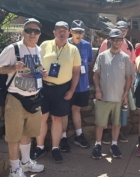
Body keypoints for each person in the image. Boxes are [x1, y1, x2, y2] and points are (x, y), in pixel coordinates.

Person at [0, 18, 45, 177]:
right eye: (29, 30)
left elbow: (35, 69)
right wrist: (13, 68)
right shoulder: (13, 48)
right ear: (23, 32)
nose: (32, 34)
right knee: (14, 136)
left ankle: (26, 162)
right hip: (15, 99)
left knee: (27, 132)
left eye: (35, 31)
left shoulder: (38, 49)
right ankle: (14, 171)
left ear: (39, 35)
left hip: (34, 98)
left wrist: (40, 74)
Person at [32, 21, 81, 164]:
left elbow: (76, 72)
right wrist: (40, 71)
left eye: (64, 30)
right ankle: (40, 147)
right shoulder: (44, 45)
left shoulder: (73, 50)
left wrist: (72, 90)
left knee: (57, 119)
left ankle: (55, 148)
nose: (61, 33)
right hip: (44, 87)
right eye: (59, 30)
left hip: (62, 89)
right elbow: (36, 64)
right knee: (41, 118)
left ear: (68, 33)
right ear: (54, 32)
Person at [92, 29, 134, 159]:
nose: (118, 42)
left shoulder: (126, 58)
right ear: (109, 40)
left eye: (120, 39)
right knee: (100, 123)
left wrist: (126, 93)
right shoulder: (102, 56)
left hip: (119, 97)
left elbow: (129, 77)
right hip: (103, 96)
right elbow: (96, 74)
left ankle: (114, 144)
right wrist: (98, 89)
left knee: (117, 123)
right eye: (115, 39)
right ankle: (98, 145)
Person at [98, 20, 136, 143]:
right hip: (107, 85)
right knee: (106, 112)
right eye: (120, 29)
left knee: (120, 113)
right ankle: (105, 133)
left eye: (124, 30)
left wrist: (131, 84)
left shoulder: (129, 44)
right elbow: (101, 62)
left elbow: (133, 64)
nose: (122, 32)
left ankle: (117, 134)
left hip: (123, 85)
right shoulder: (106, 43)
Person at [60, 20, 94, 150]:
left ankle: (79, 135)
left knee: (76, 109)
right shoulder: (65, 44)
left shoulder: (87, 45)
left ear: (84, 33)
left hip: (82, 84)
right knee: (63, 111)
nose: (78, 34)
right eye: (75, 31)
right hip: (66, 83)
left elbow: (90, 62)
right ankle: (63, 137)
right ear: (70, 32)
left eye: (80, 31)